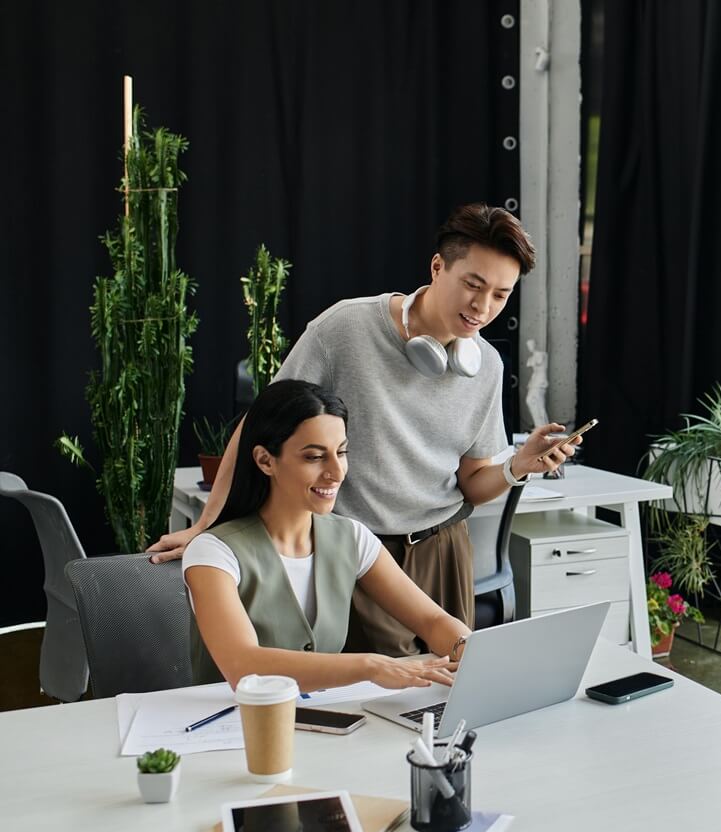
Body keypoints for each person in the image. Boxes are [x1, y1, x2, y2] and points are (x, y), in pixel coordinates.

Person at [150, 204, 580, 655]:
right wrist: (208, 523)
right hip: (362, 552)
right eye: (473, 285)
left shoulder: (486, 365)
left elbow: (471, 483)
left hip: (445, 548)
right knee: (372, 688)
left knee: (453, 677)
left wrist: (518, 466)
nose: (482, 307)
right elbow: (260, 424)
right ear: (438, 267)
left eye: (500, 295)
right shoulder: (345, 328)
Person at [183, 380, 468, 690]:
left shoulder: (352, 537)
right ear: (265, 460)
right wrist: (371, 666)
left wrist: (467, 647)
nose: (336, 472)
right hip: (233, 717)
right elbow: (243, 665)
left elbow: (432, 621)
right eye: (314, 457)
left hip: (325, 714)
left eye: (341, 452)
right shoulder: (213, 552)